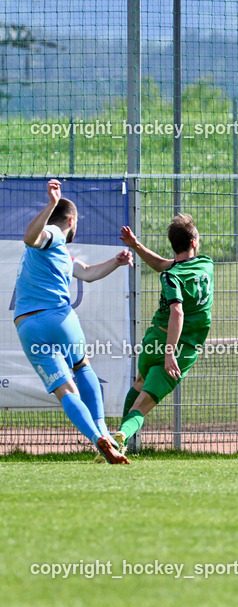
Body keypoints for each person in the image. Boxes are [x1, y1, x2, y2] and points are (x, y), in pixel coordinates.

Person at [14, 179, 133, 464]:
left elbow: (89, 272)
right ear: (71, 220)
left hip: (29, 326)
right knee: (82, 366)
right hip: (60, 318)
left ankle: (98, 438)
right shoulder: (55, 233)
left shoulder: (61, 254)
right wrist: (52, 203)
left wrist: (115, 262)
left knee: (65, 390)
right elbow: (31, 237)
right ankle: (103, 429)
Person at [111, 215, 214, 454]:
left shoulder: (170, 274)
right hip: (181, 348)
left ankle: (114, 442)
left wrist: (136, 245)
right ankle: (122, 436)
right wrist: (170, 354)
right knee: (143, 405)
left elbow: (161, 265)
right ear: (194, 243)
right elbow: (177, 312)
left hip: (154, 339)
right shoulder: (207, 264)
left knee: (139, 382)